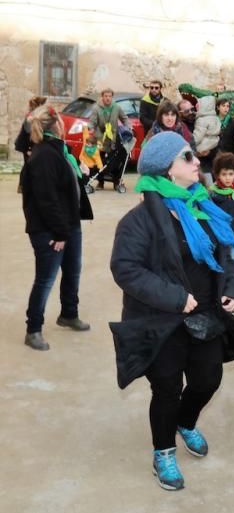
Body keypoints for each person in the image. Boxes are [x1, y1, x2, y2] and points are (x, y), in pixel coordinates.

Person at [109, 131, 234, 491]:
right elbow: (126, 269)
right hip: (161, 320)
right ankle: (163, 451)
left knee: (208, 379)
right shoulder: (138, 220)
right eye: (188, 157)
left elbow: (224, 255)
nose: (197, 163)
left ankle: (185, 422)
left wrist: (231, 289)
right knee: (166, 389)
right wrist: (175, 297)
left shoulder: (202, 207)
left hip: (206, 313)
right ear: (167, 169)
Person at [20, 105, 94, 351]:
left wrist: (81, 175)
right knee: (46, 279)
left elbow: (66, 186)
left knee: (72, 271)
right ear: (57, 126)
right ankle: (33, 330)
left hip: (68, 224)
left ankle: (68, 314)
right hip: (49, 230)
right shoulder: (43, 156)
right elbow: (47, 199)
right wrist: (59, 232)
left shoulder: (60, 151)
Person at [90, 88, 132, 189]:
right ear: (102, 97)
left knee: (116, 160)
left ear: (112, 97)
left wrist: (129, 127)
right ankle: (100, 182)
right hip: (101, 137)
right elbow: (92, 122)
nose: (108, 98)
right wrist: (90, 129)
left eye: (109, 96)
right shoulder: (96, 108)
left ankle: (116, 181)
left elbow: (124, 118)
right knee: (99, 160)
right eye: (106, 96)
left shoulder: (116, 107)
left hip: (113, 137)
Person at [192, 95, 221, 184]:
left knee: (203, 171)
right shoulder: (215, 118)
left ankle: (207, 188)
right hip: (213, 146)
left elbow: (198, 136)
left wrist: (190, 142)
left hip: (203, 147)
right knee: (210, 171)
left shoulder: (202, 120)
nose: (197, 106)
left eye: (199, 104)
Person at [14, 96, 47, 165]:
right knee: (30, 167)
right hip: (28, 147)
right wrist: (28, 150)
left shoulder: (35, 116)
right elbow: (29, 135)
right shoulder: (31, 118)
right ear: (40, 106)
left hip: (31, 148)